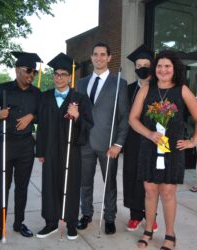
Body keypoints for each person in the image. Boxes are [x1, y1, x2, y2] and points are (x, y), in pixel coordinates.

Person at [129, 50, 197, 249]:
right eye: (160, 66)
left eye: (167, 66)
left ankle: (170, 235)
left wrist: (193, 141)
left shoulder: (182, 90)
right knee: (150, 190)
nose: (163, 70)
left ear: (174, 69)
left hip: (173, 148)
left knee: (169, 192)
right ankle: (148, 230)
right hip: (149, 146)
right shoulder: (147, 88)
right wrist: (149, 134)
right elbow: (133, 119)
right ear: (155, 68)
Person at [35, 53, 93, 240]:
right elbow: (41, 126)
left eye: (63, 74)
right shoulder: (44, 97)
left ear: (70, 77)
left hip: (71, 149)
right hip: (50, 150)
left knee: (71, 184)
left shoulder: (80, 99)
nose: (59, 77)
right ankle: (51, 222)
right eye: (56, 74)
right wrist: (40, 151)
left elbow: (89, 124)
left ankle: (70, 223)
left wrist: (76, 116)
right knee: (50, 184)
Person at [0, 52, 42, 241]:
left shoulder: (37, 93)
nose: (31, 75)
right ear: (17, 70)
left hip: (26, 145)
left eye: (33, 72)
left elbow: (42, 114)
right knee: (3, 187)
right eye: (28, 71)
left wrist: (32, 117)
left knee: (22, 187)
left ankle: (19, 223)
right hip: (5, 144)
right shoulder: (3, 89)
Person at [76, 42, 129, 234]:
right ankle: (86, 213)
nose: (98, 58)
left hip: (109, 144)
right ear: (91, 57)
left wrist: (118, 143)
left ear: (109, 57)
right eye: (95, 54)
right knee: (84, 182)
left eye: (102, 54)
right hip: (84, 143)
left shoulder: (119, 83)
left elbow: (124, 117)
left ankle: (109, 217)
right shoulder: (81, 83)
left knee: (109, 183)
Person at [123, 44, 158, 232]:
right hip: (133, 141)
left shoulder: (159, 89)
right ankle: (135, 215)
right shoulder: (128, 90)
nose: (142, 68)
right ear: (135, 68)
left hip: (153, 141)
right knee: (132, 176)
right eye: (138, 65)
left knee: (152, 179)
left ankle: (151, 216)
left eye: (146, 64)